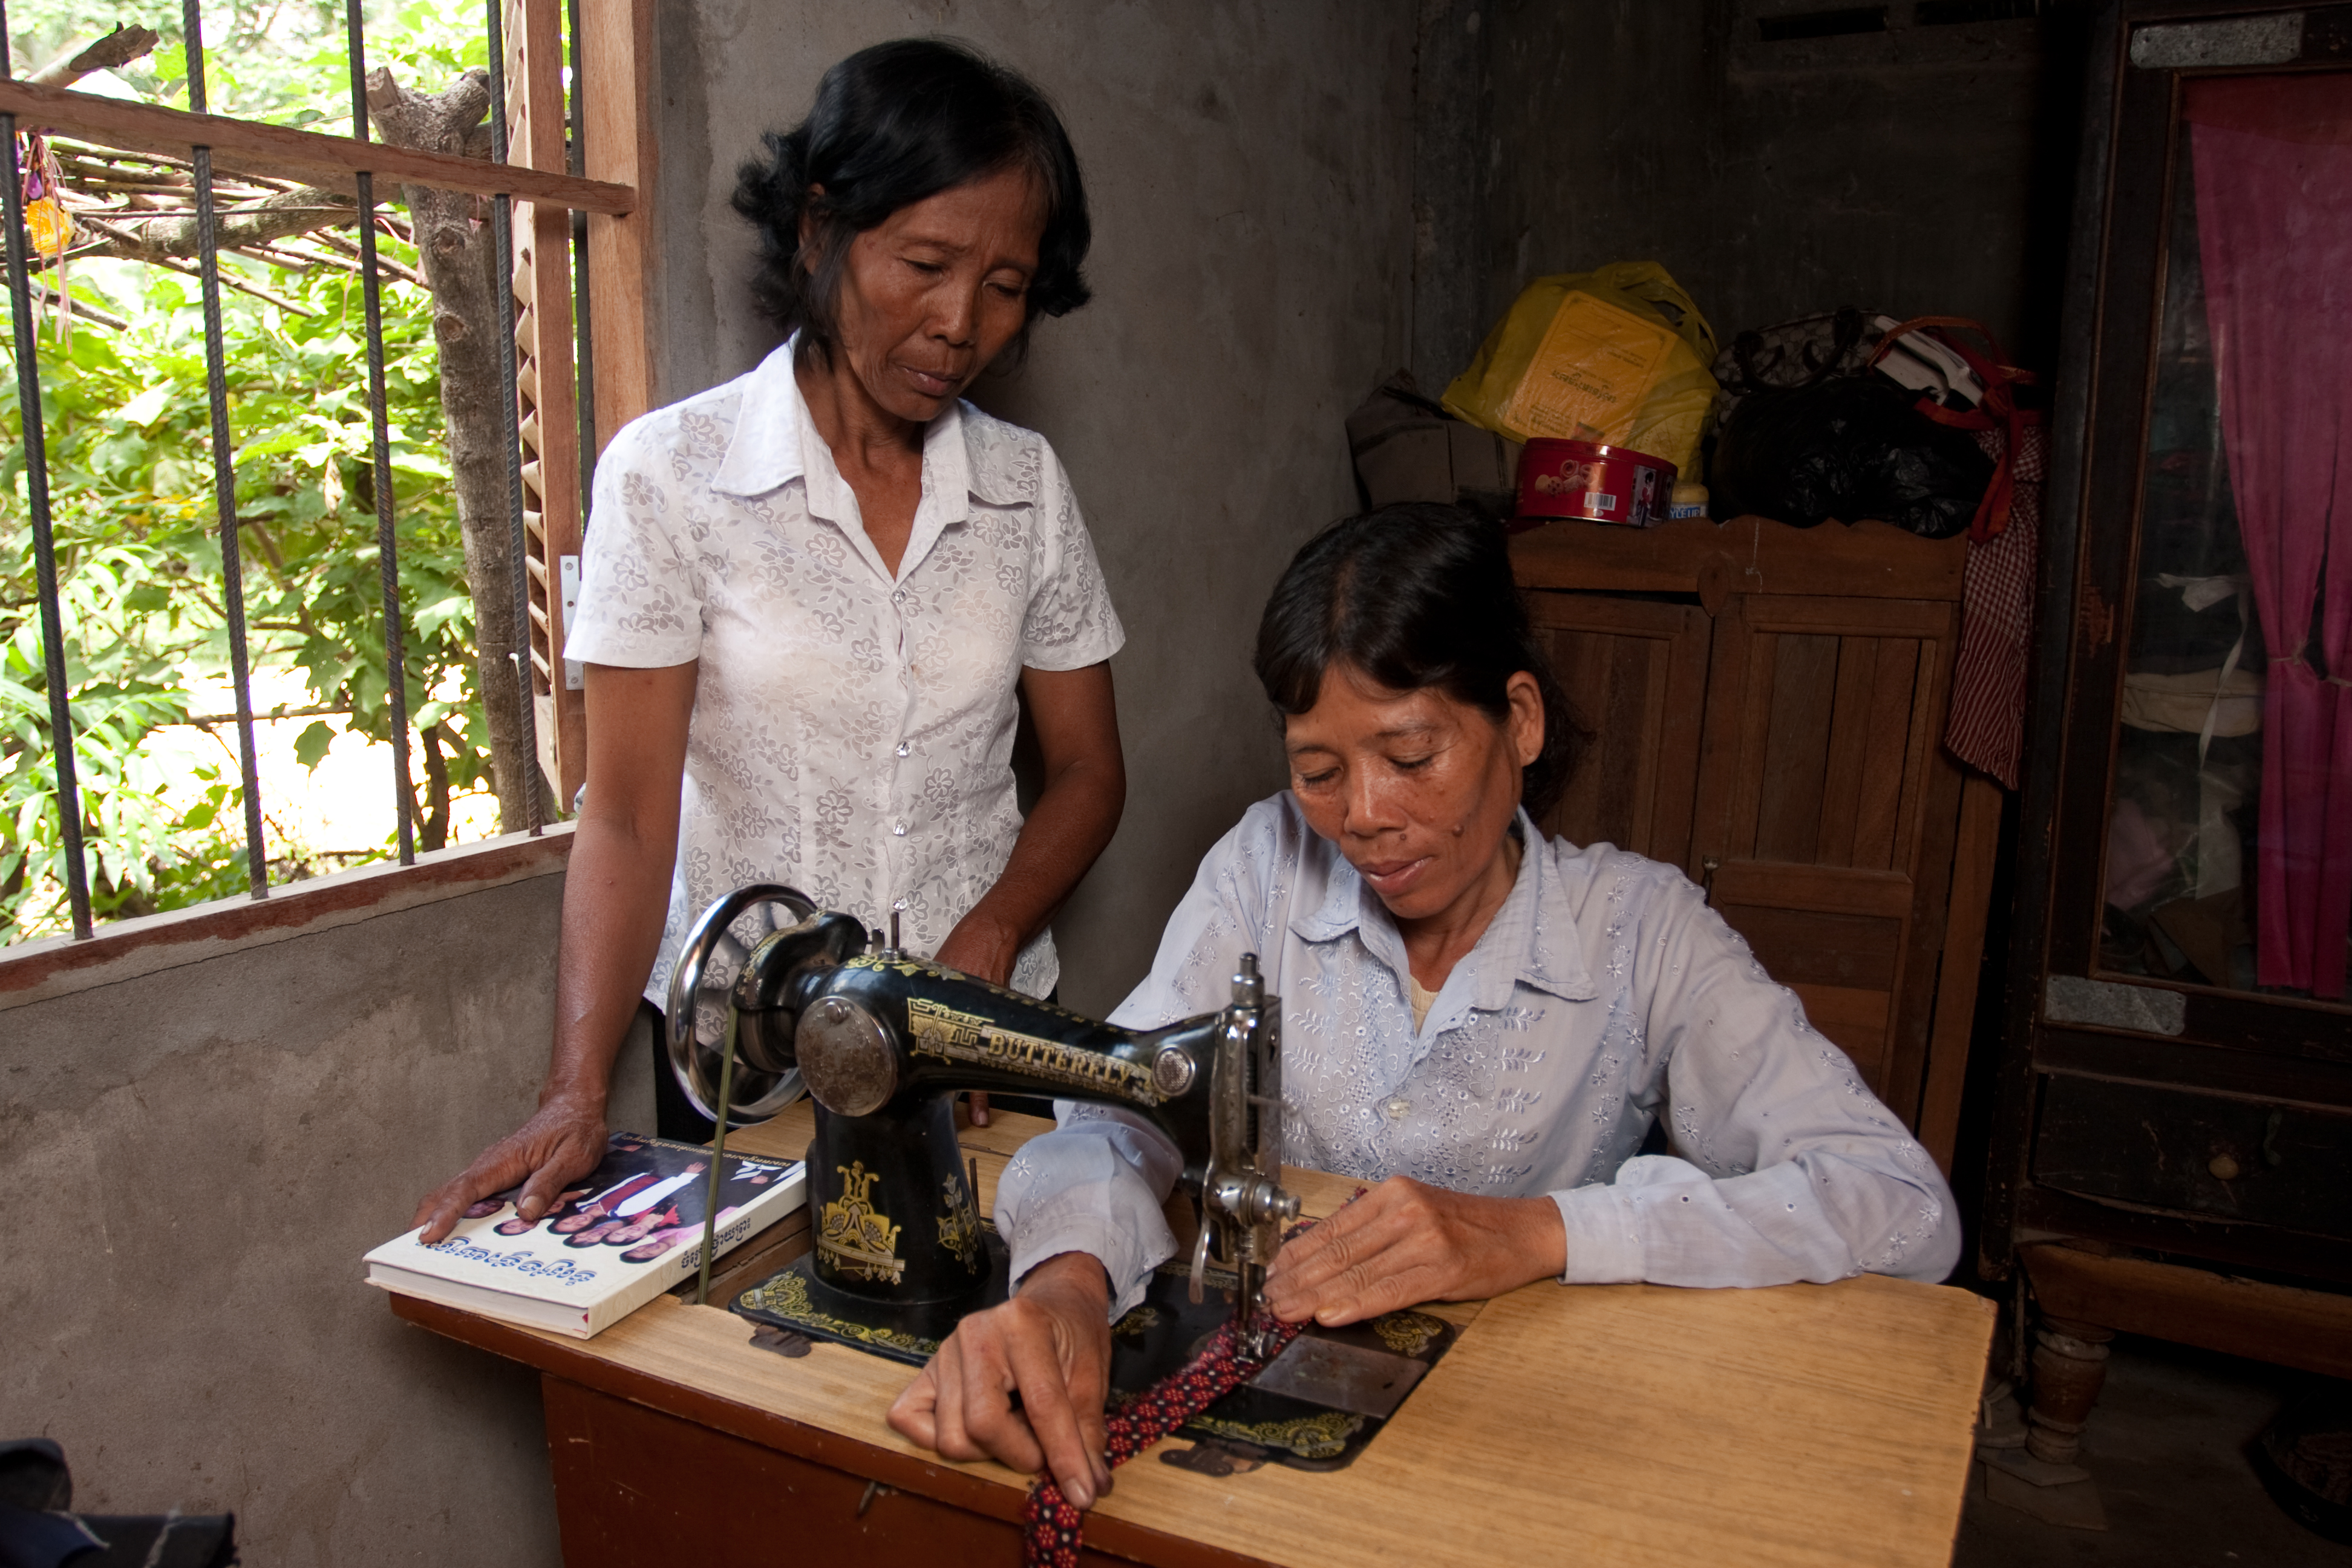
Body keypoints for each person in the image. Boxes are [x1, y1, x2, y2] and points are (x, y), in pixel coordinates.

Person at [887, 503, 1961, 1511]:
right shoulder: (1268, 865)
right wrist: (1070, 1284)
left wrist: (1543, 1232)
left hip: (1518, 1453)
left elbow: (1901, 1205)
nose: (1363, 817)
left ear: (1521, 721)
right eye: (1318, 770)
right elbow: (1125, 1107)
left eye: (1411, 758)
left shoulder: (1640, 933)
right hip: (1272, 1461)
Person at [413, 39, 1126, 1244]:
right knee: (771, 1378)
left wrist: (987, 945)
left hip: (982, 1047)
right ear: (818, 230)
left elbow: (1090, 771)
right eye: (925, 263)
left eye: (1005, 287)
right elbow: (629, 813)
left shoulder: (1026, 488)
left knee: (980, 1355)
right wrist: (575, 1090)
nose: (959, 324)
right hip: (755, 1066)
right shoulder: (672, 476)